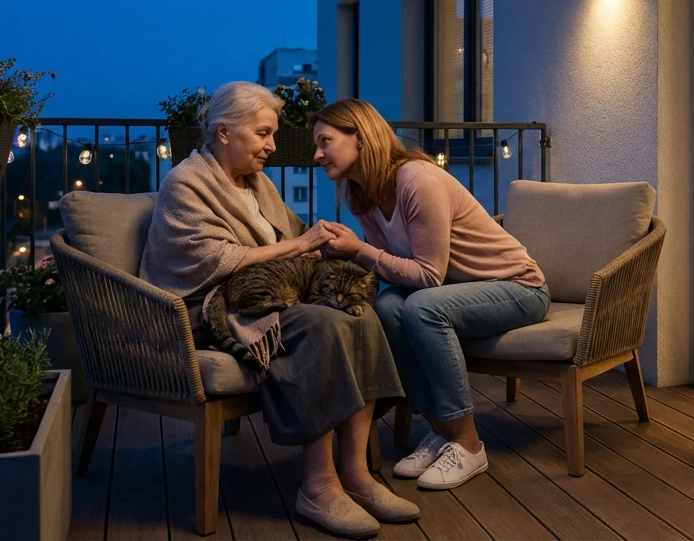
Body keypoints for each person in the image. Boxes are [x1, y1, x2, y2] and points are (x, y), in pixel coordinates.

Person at [140, 82, 416, 538]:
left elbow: (291, 232)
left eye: (272, 134)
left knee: (361, 315)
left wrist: (319, 243)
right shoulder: (185, 183)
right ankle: (319, 486)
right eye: (263, 134)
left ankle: (357, 475)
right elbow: (215, 261)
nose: (272, 146)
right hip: (213, 307)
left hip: (268, 294)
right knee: (323, 323)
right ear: (225, 133)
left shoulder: (256, 182)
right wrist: (297, 246)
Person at [311, 99, 549, 490]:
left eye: (325, 141)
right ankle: (442, 431)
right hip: (459, 291)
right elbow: (386, 267)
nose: (317, 154)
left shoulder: (417, 181)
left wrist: (360, 250)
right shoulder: (361, 195)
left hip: (518, 287)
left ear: (361, 138)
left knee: (420, 306)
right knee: (388, 306)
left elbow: (427, 276)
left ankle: (469, 445)